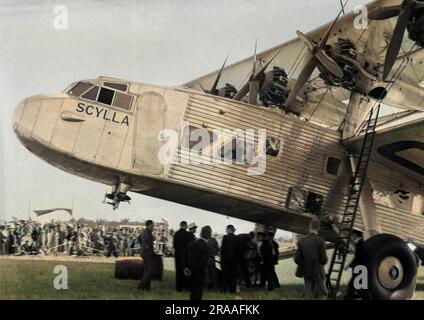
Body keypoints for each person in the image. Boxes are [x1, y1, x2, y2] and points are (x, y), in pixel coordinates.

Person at [294, 218, 328, 300]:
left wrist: (304, 264)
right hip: (318, 272)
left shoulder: (301, 241)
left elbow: (296, 259)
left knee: (309, 295)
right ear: (318, 227)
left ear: (309, 226)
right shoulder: (321, 241)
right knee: (322, 295)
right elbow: (323, 259)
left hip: (307, 271)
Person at [185, 225, 212, 300]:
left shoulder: (191, 244)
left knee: (192, 293)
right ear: (209, 235)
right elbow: (203, 263)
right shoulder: (206, 247)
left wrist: (187, 268)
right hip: (200, 273)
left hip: (190, 272)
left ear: (201, 234)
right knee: (198, 294)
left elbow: (186, 257)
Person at [173, 221, 193, 292]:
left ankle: (179, 288)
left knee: (178, 271)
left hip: (177, 255)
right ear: (185, 225)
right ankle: (186, 287)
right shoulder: (188, 234)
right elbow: (190, 246)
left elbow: (174, 245)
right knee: (186, 271)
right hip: (185, 256)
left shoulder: (176, 234)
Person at [220, 225, 240, 294]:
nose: (226, 230)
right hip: (234, 260)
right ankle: (232, 290)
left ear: (229, 229)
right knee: (233, 275)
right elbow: (238, 250)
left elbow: (223, 249)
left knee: (225, 275)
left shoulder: (225, 237)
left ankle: (224, 289)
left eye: (226, 229)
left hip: (226, 259)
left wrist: (221, 259)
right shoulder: (237, 238)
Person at [138, 220, 156, 290]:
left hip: (146, 253)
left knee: (147, 270)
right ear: (149, 225)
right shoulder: (146, 232)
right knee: (150, 270)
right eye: (152, 225)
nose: (153, 226)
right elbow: (145, 240)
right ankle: (141, 286)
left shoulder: (146, 231)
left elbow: (139, 238)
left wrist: (143, 245)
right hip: (147, 253)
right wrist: (145, 246)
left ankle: (147, 287)